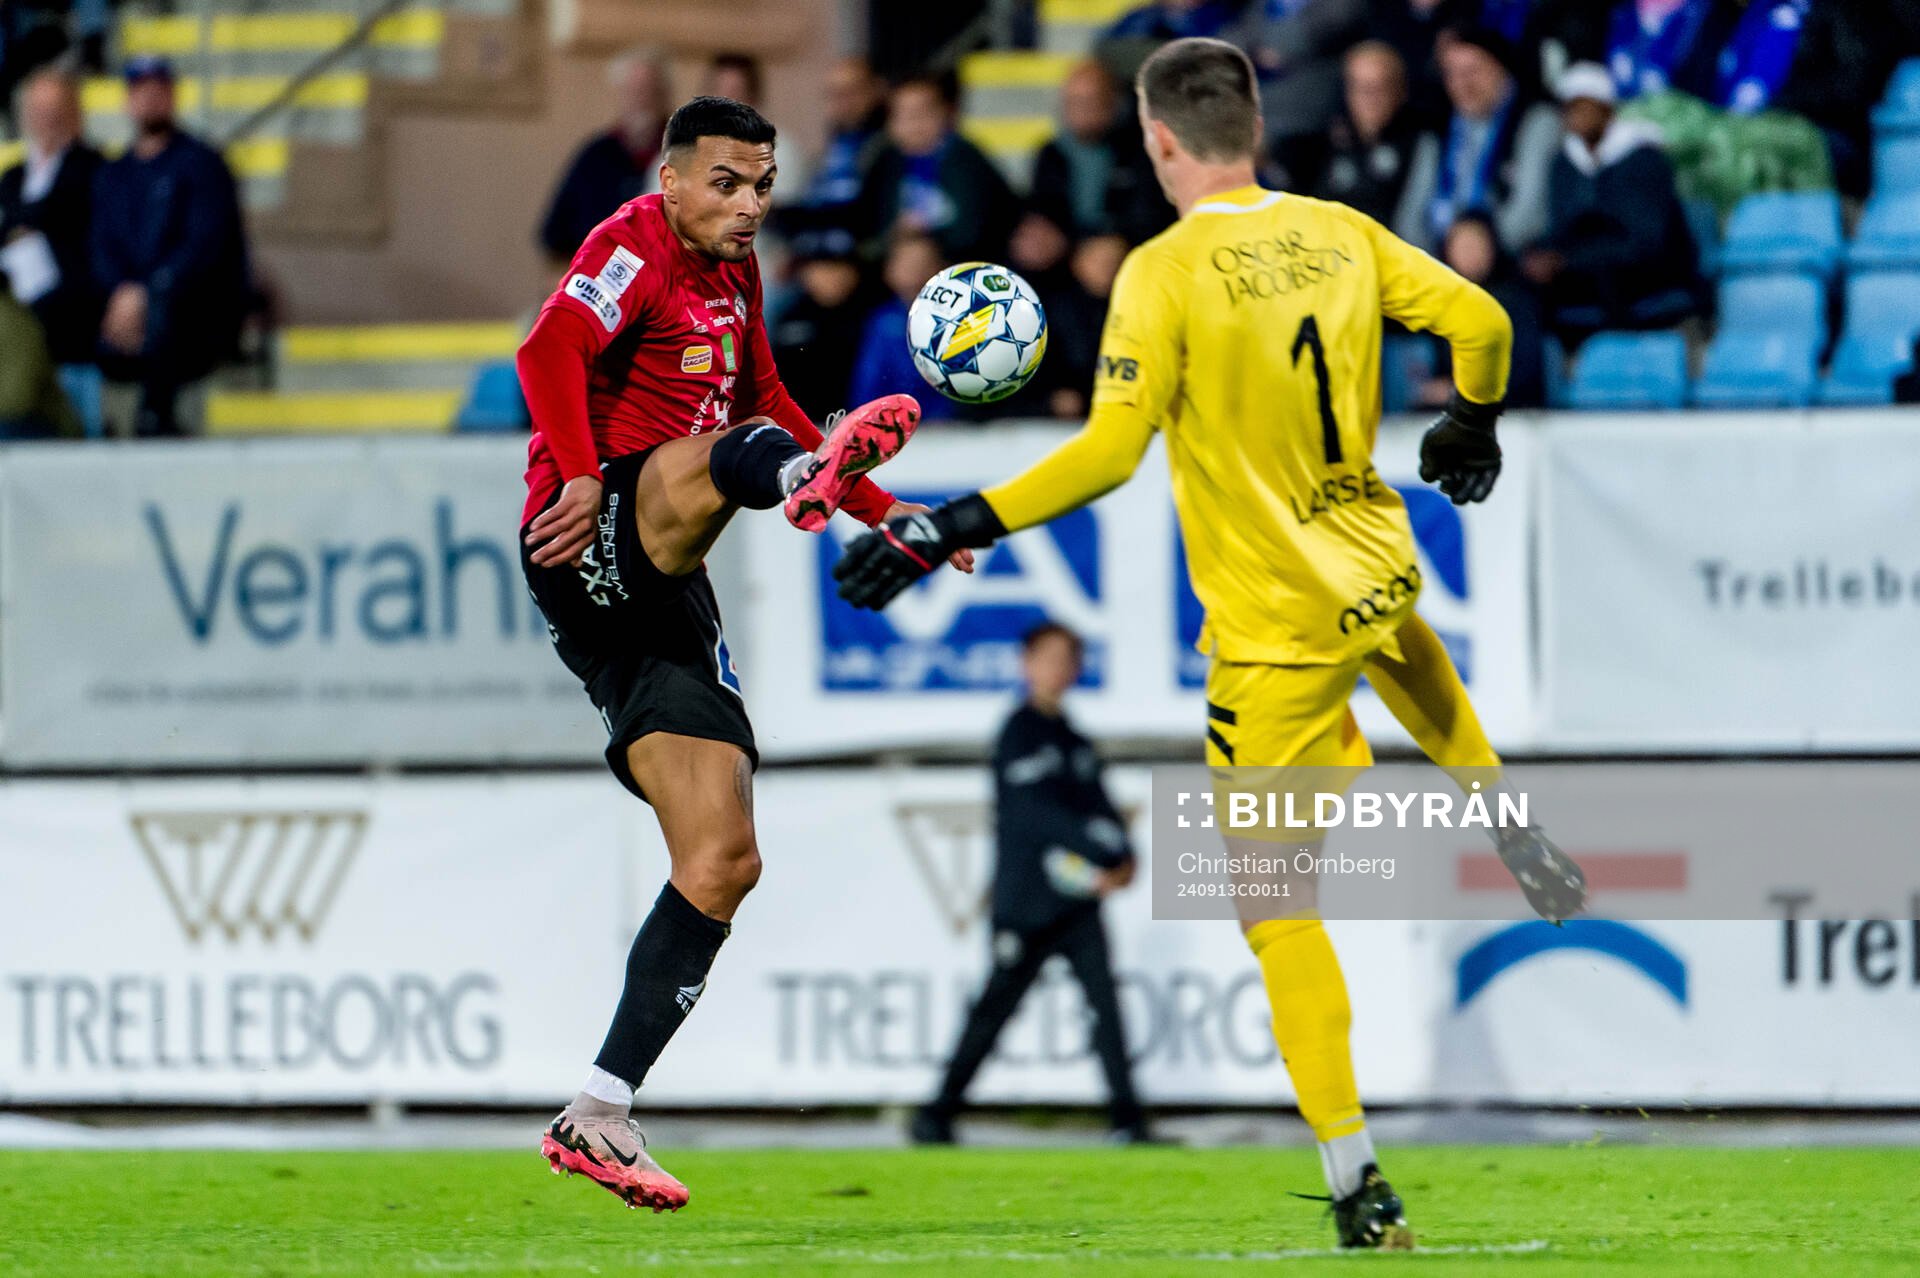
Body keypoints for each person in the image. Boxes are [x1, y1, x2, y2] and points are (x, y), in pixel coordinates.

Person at [833, 38, 1585, 1250]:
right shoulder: (1340, 230)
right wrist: (1471, 422)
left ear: (1159, 139)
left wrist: (948, 522)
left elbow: (1110, 453)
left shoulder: (1164, 271)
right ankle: (1508, 819)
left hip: (1275, 629)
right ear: (1251, 127)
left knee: (1275, 908)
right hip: (1377, 564)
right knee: (1407, 656)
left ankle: (1357, 1181)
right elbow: (1484, 317)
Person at [517, 96, 971, 1214]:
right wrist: (576, 470)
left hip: (668, 585)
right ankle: (792, 490)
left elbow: (767, 399)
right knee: (752, 454)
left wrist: (881, 509)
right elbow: (550, 346)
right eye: (726, 182)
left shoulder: (735, 274)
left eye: (763, 184)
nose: (749, 204)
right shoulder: (633, 245)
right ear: (671, 180)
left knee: (723, 859)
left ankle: (600, 1112)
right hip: (593, 529)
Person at [911, 621, 1149, 1146]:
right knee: (994, 1009)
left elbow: (1101, 807)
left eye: (1069, 659)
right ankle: (935, 1114)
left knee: (1105, 1006)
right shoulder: (1018, 733)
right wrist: (1102, 848)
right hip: (1027, 902)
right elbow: (1034, 815)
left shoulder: (1074, 737)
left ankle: (1129, 1123)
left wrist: (1128, 857)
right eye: (1049, 657)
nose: (1059, 668)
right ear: (1026, 664)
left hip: (1079, 902)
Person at [90, 56, 249, 437]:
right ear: (128, 100)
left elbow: (203, 249)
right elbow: (102, 246)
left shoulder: (202, 164)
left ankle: (155, 417)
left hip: (192, 311)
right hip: (131, 313)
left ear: (173, 96)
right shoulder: (115, 174)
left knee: (166, 306)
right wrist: (122, 294)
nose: (150, 100)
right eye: (141, 91)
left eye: (158, 90)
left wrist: (145, 294)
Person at [1522, 61, 1700, 338]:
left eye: (1583, 106)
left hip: (1648, 282)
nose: (1575, 116)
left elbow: (1649, 240)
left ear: (1606, 109)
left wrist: (1570, 261)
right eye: (1568, 108)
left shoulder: (1643, 158)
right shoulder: (1565, 164)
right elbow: (1562, 226)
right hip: (1587, 284)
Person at [1393, 24, 1560, 254]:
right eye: (1452, 74)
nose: (1463, 85)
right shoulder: (1437, 125)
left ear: (1501, 67)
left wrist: (1476, 250)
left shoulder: (1537, 120)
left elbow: (1530, 214)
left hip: (1509, 264)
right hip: (1440, 265)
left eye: (1473, 71)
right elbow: (1410, 217)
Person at [1, 66, 104, 365]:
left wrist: (29, 226)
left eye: (54, 109)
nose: (46, 118)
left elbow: (68, 219)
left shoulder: (91, 167)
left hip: (69, 307)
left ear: (71, 111)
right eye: (38, 109)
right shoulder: (13, 176)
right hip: (14, 302)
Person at [859, 72, 1018, 263]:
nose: (913, 124)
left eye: (922, 113)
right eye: (903, 115)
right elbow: (868, 232)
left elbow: (974, 232)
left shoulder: (966, 159)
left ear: (948, 113)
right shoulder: (885, 162)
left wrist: (923, 242)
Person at [538, 45, 673, 265]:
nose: (641, 100)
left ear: (664, 95)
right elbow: (555, 235)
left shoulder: (680, 155)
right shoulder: (595, 155)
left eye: (649, 90)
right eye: (633, 91)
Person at [1307, 41, 1422, 225]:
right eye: (1360, 87)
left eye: (1379, 87)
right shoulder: (1329, 142)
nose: (1370, 99)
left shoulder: (1419, 144)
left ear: (1399, 91)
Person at [768, 236, 875, 422]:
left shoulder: (872, 315)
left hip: (864, 426)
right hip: (801, 428)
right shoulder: (790, 317)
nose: (832, 276)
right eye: (822, 267)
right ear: (805, 272)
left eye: (840, 267)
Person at [847, 229, 950, 415]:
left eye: (923, 263)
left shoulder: (959, 320)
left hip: (952, 429)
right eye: (906, 263)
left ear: (942, 268)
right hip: (891, 428)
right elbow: (868, 386)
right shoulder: (881, 322)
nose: (914, 271)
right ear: (889, 269)